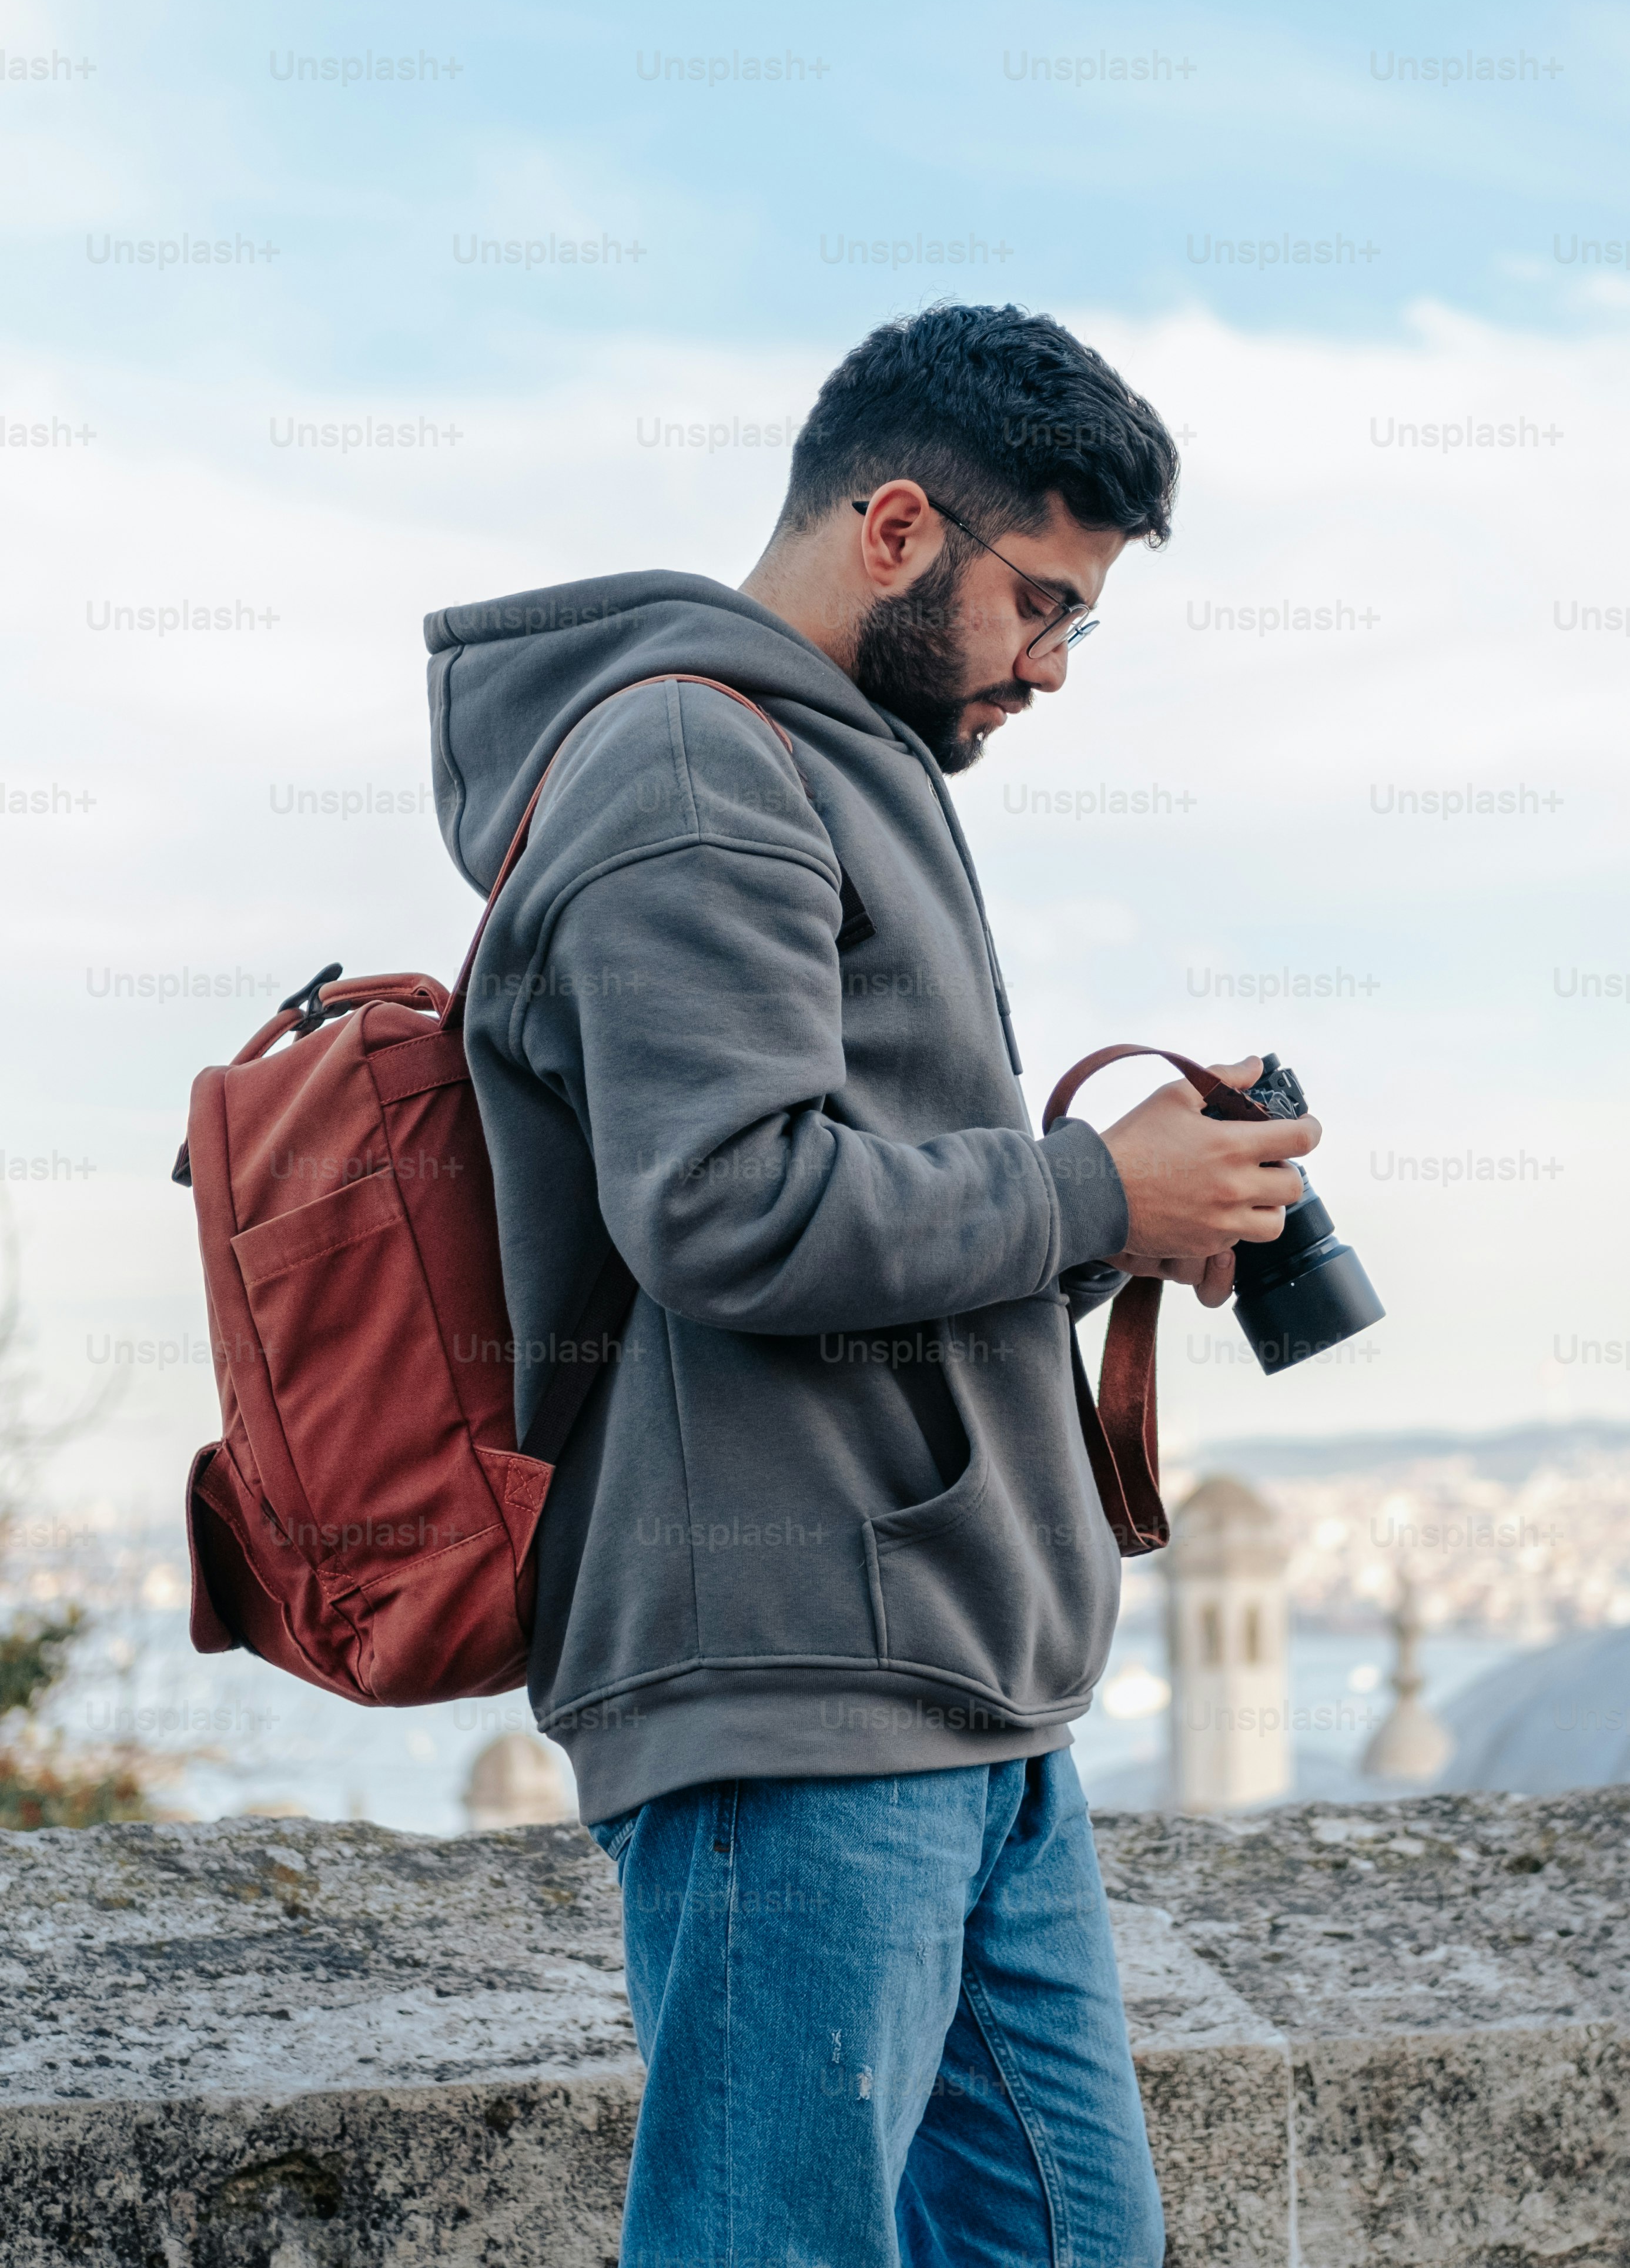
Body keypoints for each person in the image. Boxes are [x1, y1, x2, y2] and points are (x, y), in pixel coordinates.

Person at [425, 303, 1320, 2267]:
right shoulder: (691, 761)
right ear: (899, 527)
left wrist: (1128, 1213)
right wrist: (1094, 1187)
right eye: (1043, 604)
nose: (1053, 666)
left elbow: (866, 1245)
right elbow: (727, 1208)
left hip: (960, 1685)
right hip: (796, 1694)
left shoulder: (843, 768)